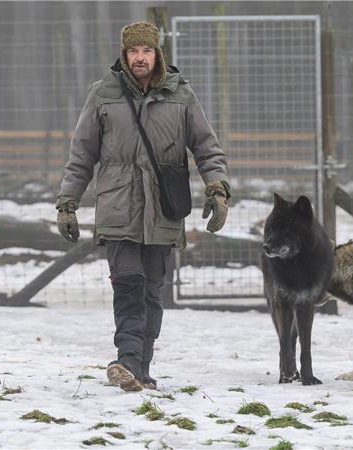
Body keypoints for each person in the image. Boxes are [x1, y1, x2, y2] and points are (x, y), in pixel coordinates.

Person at [55, 21, 230, 392]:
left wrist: (217, 189)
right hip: (117, 206)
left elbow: (207, 147)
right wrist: (67, 203)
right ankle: (127, 360)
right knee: (128, 283)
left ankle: (142, 369)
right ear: (124, 54)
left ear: (157, 54)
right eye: (133, 51)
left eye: (146, 50)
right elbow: (82, 154)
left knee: (151, 292)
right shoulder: (103, 93)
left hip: (164, 209)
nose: (139, 57)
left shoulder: (180, 95)